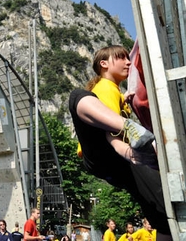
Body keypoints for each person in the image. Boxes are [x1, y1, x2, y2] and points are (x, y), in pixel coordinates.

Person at [68, 45, 171, 239]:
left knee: (162, 213)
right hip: (106, 153)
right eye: (121, 58)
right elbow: (109, 134)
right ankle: (132, 135)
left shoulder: (113, 91)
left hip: (121, 164)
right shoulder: (105, 88)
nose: (128, 62)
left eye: (128, 58)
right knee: (76, 96)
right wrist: (127, 151)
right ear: (104, 64)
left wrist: (125, 100)